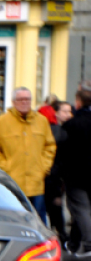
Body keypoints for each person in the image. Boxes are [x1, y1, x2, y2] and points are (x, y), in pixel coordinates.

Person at [0, 87, 56, 223]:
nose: (25, 102)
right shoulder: (1, 123)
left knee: (38, 221)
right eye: (21, 99)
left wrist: (43, 167)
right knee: (14, 221)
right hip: (13, 184)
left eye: (27, 99)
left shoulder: (41, 121)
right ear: (13, 102)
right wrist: (7, 169)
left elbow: (50, 146)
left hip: (36, 184)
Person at [62, 89, 91, 258]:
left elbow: (64, 151)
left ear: (78, 103)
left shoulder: (72, 125)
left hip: (76, 175)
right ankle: (74, 243)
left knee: (80, 209)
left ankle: (88, 244)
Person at [46, 100, 75, 248]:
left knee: (56, 208)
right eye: (65, 111)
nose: (68, 115)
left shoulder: (67, 129)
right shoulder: (55, 131)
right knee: (55, 207)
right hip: (53, 175)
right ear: (56, 113)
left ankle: (61, 235)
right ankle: (61, 236)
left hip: (58, 175)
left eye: (70, 111)